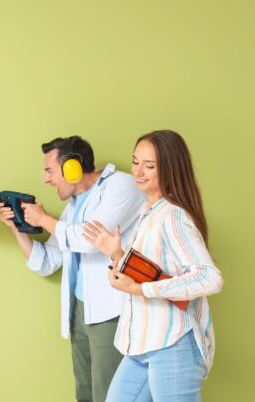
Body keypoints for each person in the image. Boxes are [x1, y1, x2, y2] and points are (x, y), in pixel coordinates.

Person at [0, 136, 144, 402]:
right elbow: (46, 262)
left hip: (110, 312)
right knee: (85, 391)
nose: (46, 180)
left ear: (72, 168)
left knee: (109, 393)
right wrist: (18, 229)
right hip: (80, 311)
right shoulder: (72, 208)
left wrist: (44, 220)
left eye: (50, 171)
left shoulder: (122, 185)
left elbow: (90, 241)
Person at [82, 130, 223, 401]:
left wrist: (140, 290)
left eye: (149, 166)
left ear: (169, 168)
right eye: (135, 162)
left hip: (173, 344)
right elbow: (151, 271)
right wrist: (117, 254)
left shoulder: (172, 215)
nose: (138, 171)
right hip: (142, 343)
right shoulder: (148, 211)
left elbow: (209, 277)